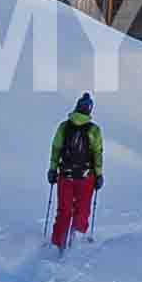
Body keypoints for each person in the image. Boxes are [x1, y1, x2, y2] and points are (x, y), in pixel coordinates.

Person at [48, 93, 103, 249]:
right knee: (82, 210)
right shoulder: (94, 130)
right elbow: (97, 154)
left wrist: (53, 170)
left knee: (63, 211)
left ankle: (57, 243)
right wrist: (99, 175)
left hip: (65, 176)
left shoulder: (64, 127)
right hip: (86, 178)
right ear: (89, 110)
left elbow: (56, 149)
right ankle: (76, 243)